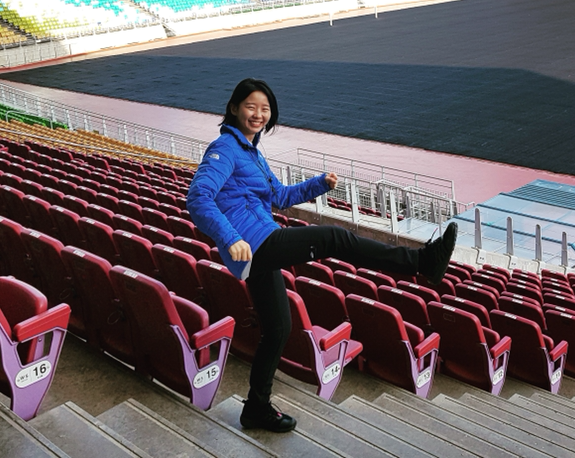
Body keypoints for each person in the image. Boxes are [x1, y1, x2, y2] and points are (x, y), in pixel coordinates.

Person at [187, 78, 457, 433]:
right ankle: (421, 262)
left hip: (258, 243)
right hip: (254, 242)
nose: (258, 114)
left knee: (278, 328)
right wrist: (230, 237)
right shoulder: (225, 148)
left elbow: (280, 197)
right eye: (251, 106)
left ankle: (255, 408)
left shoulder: (250, 151)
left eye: (265, 109)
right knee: (334, 237)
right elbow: (198, 197)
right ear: (234, 108)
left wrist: (319, 184)